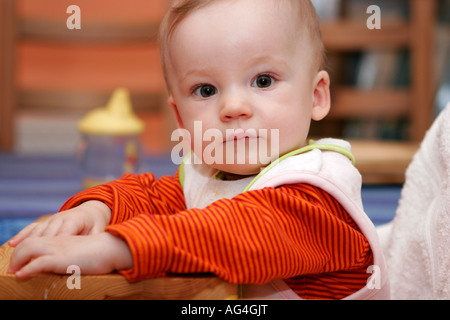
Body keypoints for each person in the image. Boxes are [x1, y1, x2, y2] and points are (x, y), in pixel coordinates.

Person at [8, 0, 389, 299]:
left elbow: (234, 235)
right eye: (206, 90)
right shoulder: (208, 174)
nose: (233, 106)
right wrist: (98, 209)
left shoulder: (318, 195)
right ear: (180, 117)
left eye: (262, 79)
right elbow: (152, 196)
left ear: (316, 96)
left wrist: (118, 247)